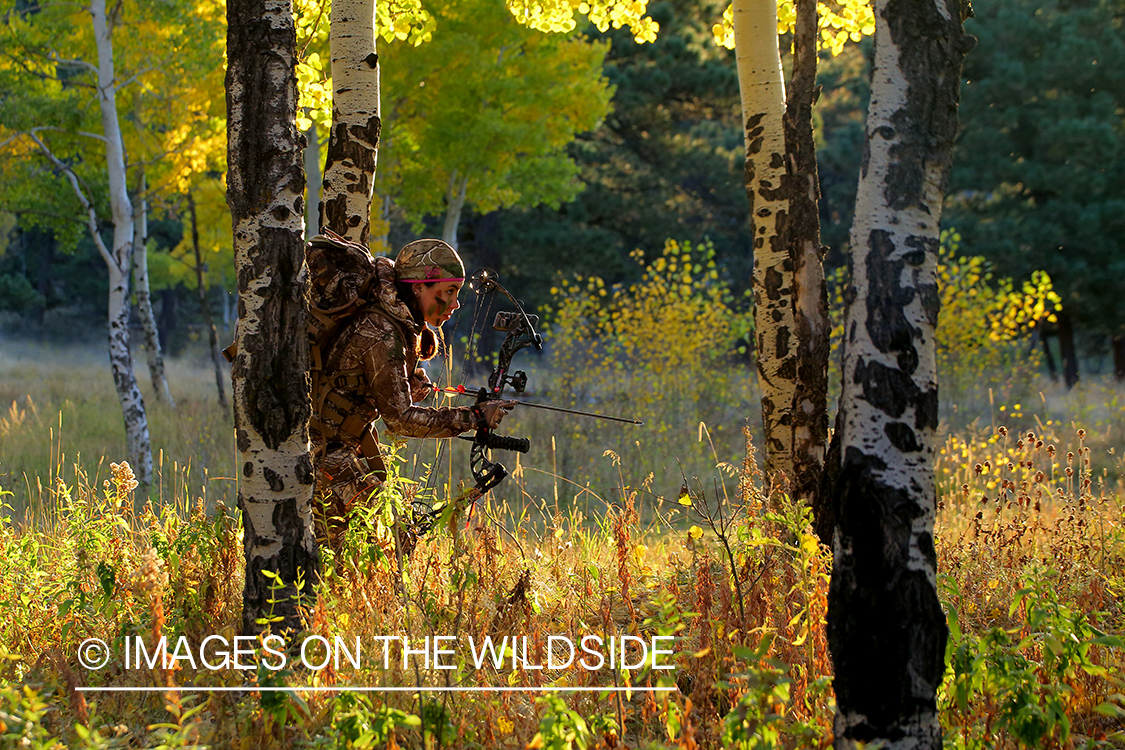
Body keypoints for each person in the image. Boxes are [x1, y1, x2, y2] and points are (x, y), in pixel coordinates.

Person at [309, 238, 515, 549]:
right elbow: (400, 420)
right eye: (448, 292)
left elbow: (357, 384)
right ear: (418, 288)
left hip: (334, 452)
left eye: (457, 293)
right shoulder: (383, 331)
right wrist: (473, 417)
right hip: (321, 455)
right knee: (393, 542)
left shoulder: (393, 322)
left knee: (370, 548)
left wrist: (405, 383)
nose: (455, 303)